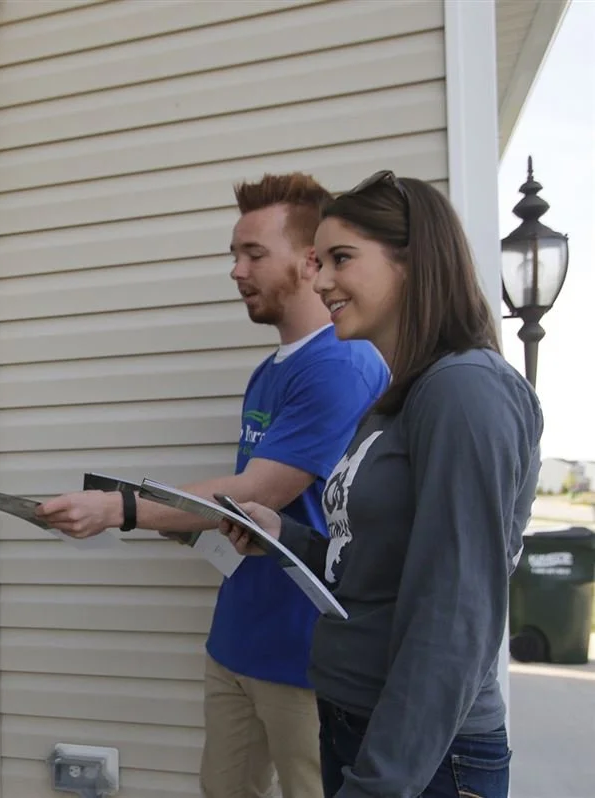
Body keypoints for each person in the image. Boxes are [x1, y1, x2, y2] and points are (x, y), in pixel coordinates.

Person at [36, 173, 389, 798]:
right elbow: (243, 512)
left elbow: (263, 491)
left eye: (254, 253)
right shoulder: (270, 369)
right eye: (235, 253)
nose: (236, 270)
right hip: (238, 640)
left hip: (305, 655)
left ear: (311, 262)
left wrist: (119, 508)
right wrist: (186, 527)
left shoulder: (341, 361)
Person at [219, 171, 542, 797]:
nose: (320, 279)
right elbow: (368, 564)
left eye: (342, 258)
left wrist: (380, 784)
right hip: (353, 718)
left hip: (422, 755)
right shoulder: (398, 397)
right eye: (319, 260)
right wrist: (283, 534)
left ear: (415, 262)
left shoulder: (464, 391)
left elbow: (455, 614)